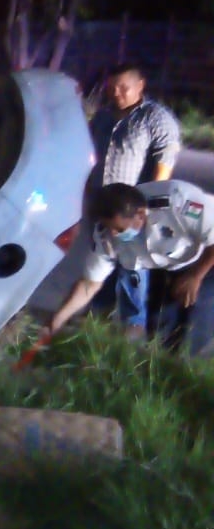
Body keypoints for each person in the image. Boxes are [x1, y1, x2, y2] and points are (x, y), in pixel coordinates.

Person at [46, 180, 214, 356]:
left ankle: (193, 368)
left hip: (205, 261)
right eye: (110, 228)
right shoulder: (105, 235)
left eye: (119, 229)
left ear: (140, 215)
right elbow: (90, 283)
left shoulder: (177, 204)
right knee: (160, 329)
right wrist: (59, 318)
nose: (114, 234)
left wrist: (196, 276)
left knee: (199, 329)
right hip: (160, 265)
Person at [87, 63, 181, 333]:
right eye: (112, 87)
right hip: (103, 210)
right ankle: (97, 327)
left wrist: (146, 211)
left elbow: (164, 166)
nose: (117, 93)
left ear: (140, 85)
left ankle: (133, 336)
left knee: (133, 275)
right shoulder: (103, 118)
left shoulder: (156, 119)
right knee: (100, 270)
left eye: (124, 87)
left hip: (133, 215)